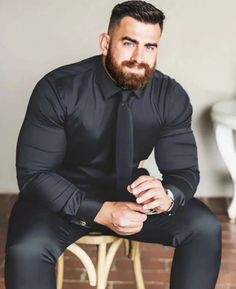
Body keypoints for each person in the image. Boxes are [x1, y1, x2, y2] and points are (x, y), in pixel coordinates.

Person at [5, 1, 221, 289]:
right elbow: (34, 174)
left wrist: (168, 194)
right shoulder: (58, 88)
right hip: (58, 196)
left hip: (126, 191)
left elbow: (183, 170)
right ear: (105, 43)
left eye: (150, 47)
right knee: (25, 252)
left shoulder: (170, 96)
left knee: (204, 228)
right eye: (129, 43)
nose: (139, 57)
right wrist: (102, 211)